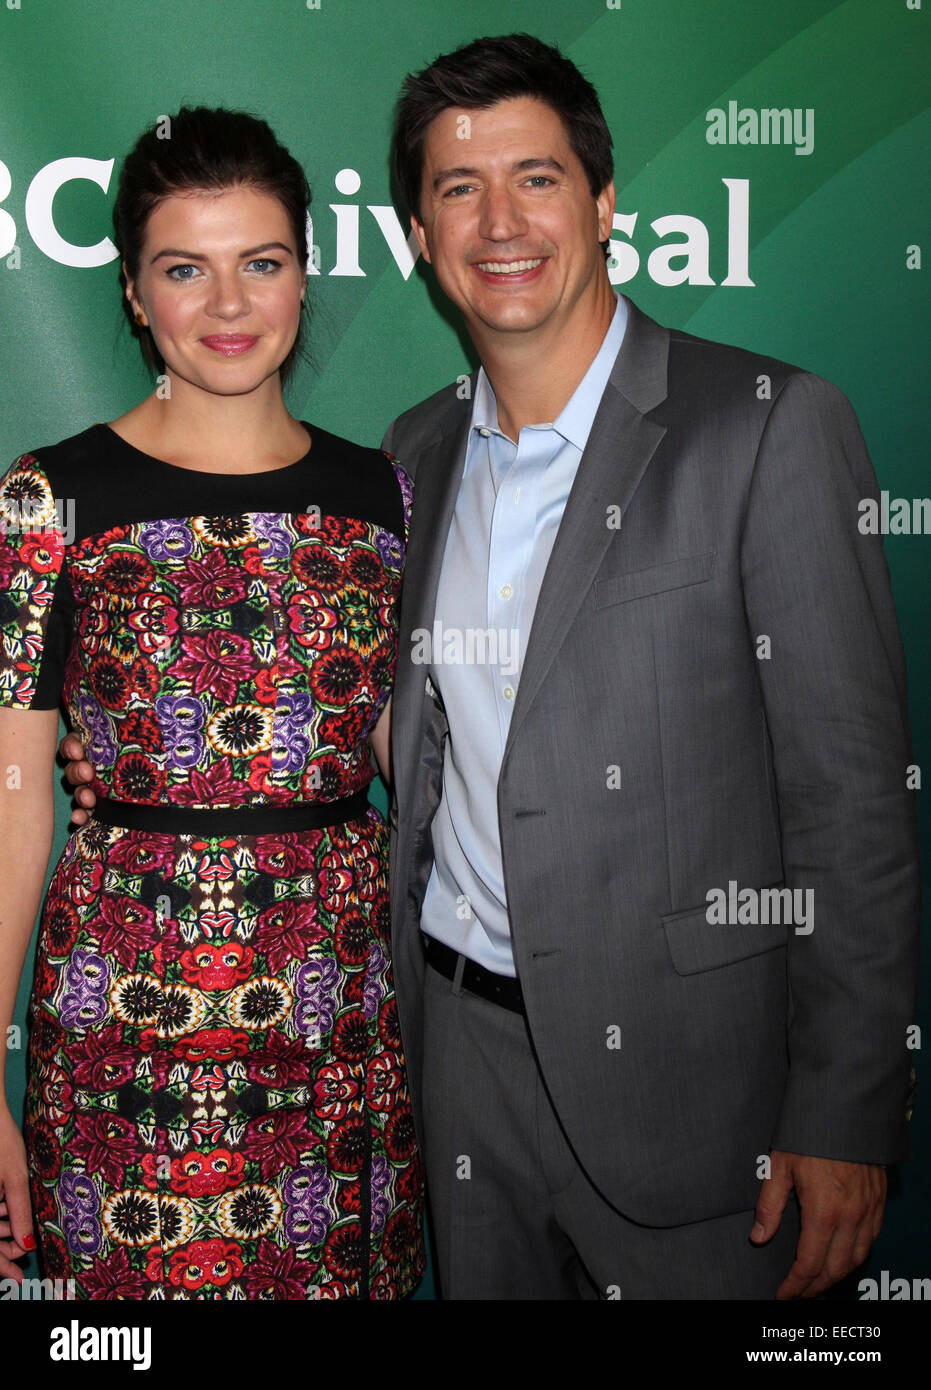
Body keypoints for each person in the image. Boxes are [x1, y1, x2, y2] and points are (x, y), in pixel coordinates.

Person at [63, 35, 921, 1301]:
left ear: (605, 200)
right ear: (419, 231)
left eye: (537, 177)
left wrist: (844, 1108)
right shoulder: (411, 460)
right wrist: (126, 756)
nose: (500, 220)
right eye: (460, 189)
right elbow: (366, 716)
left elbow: (853, 799)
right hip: (448, 1062)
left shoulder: (766, 425)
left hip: (696, 1099)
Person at [0, 106, 425, 1300]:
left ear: (303, 272)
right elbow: (14, 796)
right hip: (120, 1017)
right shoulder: (47, 499)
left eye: (262, 262)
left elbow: (418, 755)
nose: (228, 306)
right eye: (185, 268)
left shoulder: (379, 492)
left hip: (345, 1013)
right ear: (135, 292)